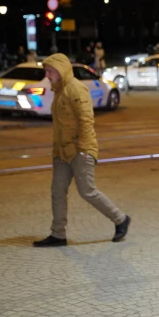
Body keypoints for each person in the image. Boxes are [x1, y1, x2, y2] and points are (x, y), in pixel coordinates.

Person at [33, 53, 130, 248]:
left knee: (87, 191)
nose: (48, 75)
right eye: (46, 71)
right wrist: (56, 150)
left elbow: (86, 121)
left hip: (79, 149)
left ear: (61, 70)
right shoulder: (59, 90)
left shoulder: (75, 89)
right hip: (62, 151)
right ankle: (58, 234)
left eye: (50, 71)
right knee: (57, 191)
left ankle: (120, 219)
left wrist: (84, 150)